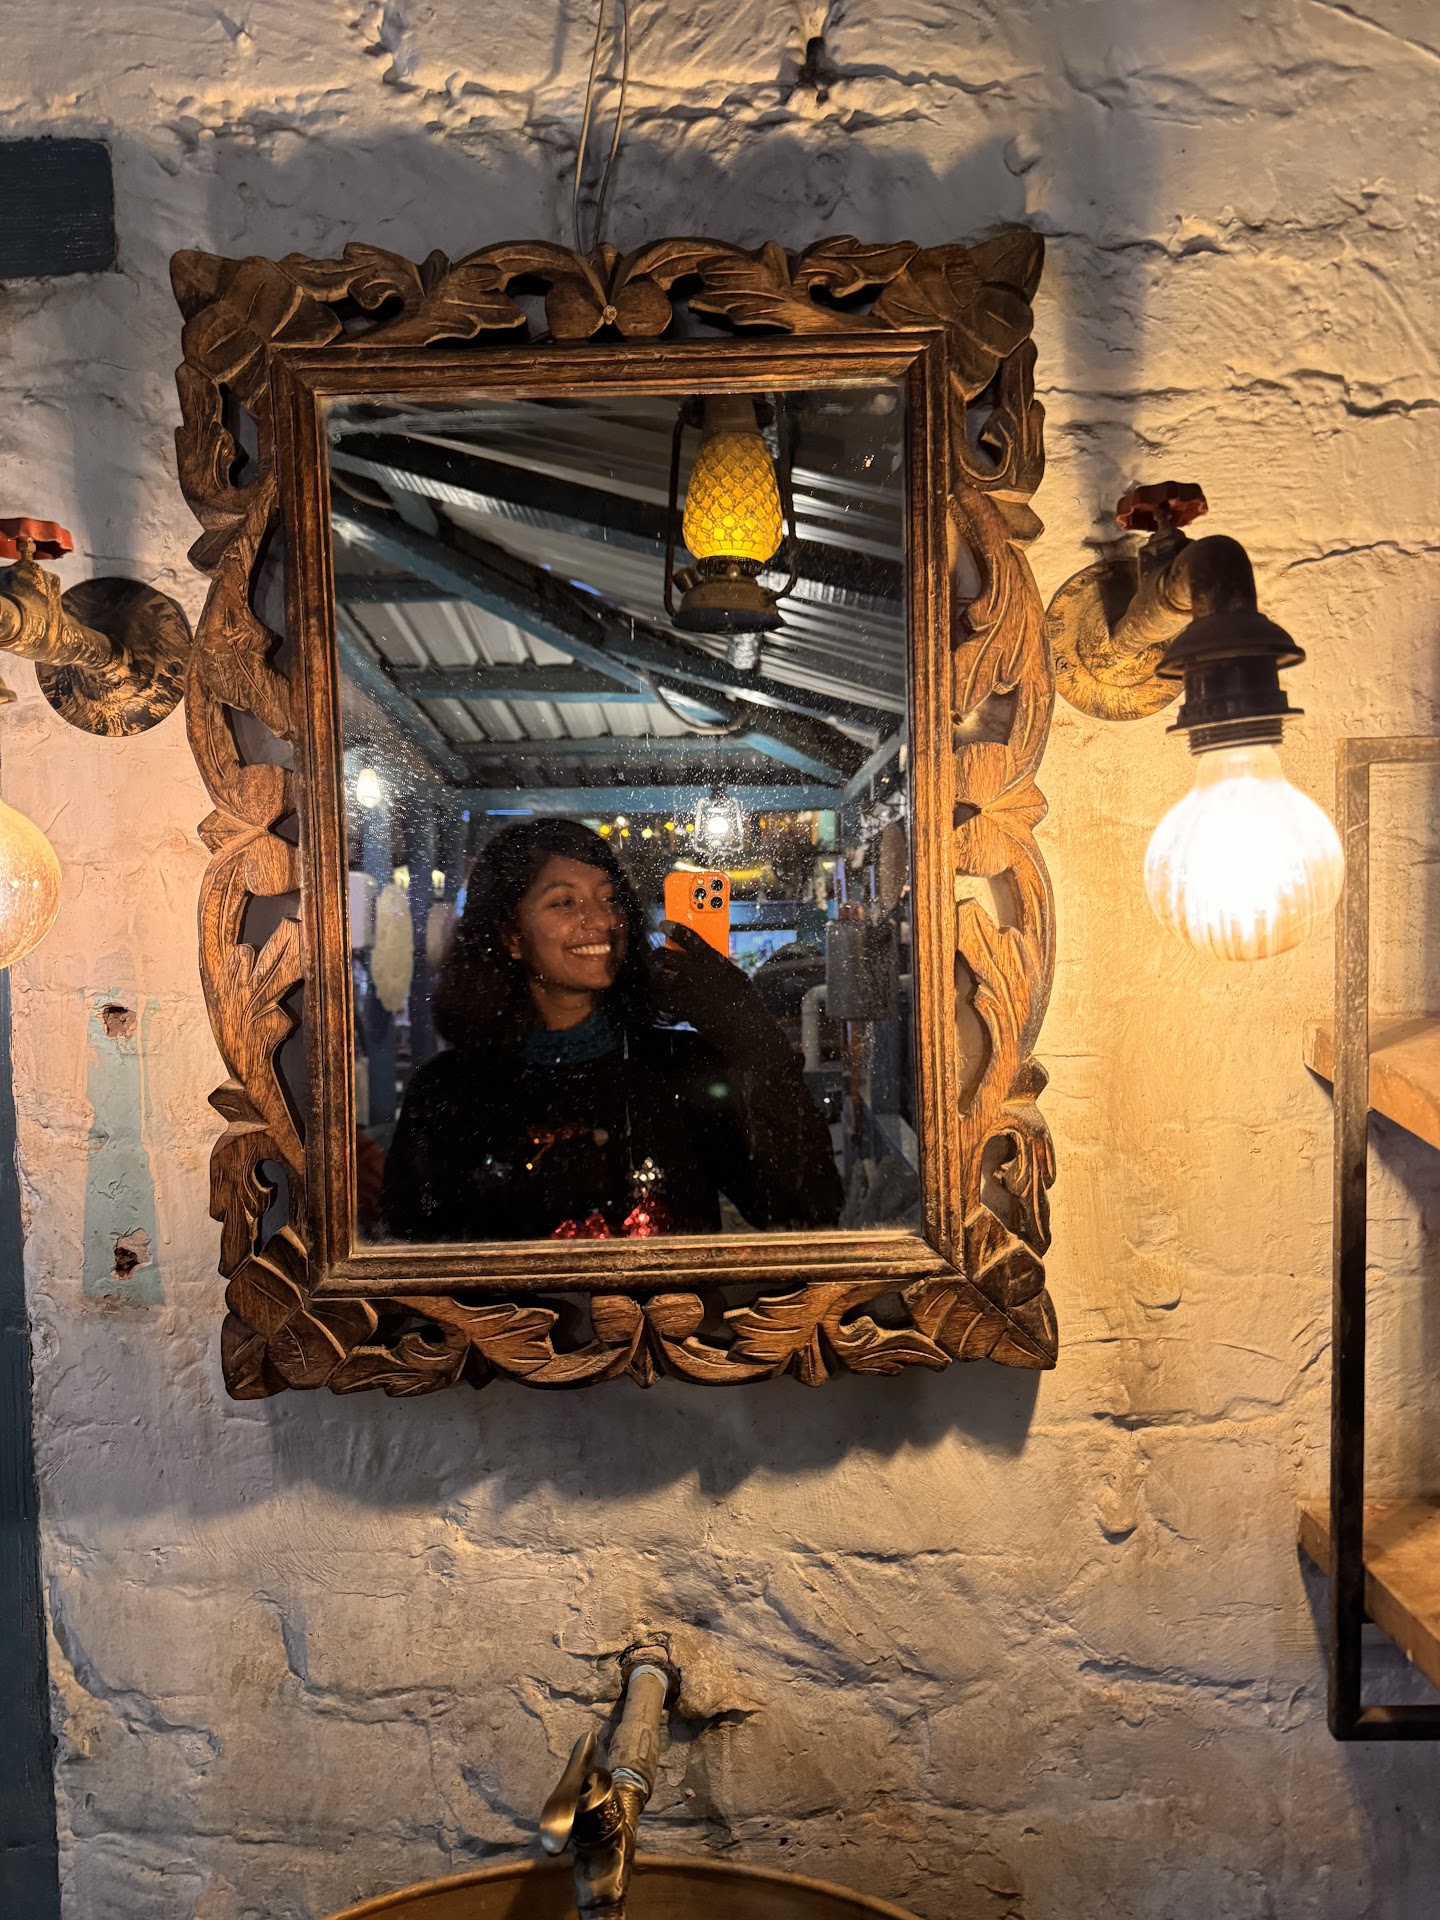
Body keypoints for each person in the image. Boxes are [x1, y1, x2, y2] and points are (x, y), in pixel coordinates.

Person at [378, 818, 842, 1242]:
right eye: (565, 902)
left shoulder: (681, 1066)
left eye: (611, 898)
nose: (603, 920)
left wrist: (751, 1036)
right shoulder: (448, 1091)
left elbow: (807, 1209)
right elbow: (413, 1253)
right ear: (511, 936)